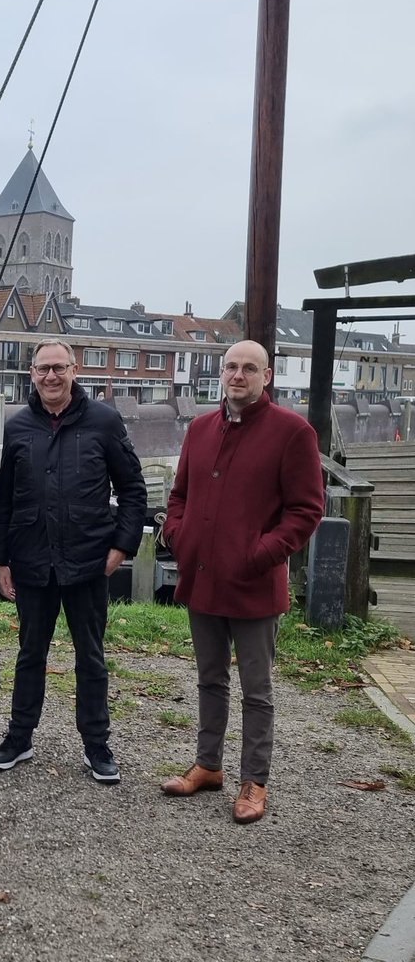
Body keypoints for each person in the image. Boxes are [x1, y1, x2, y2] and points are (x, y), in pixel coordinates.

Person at [160, 339, 325, 824]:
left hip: (254, 583)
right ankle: (208, 765)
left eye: (249, 368)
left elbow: (306, 509)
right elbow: (180, 494)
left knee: (257, 689)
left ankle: (254, 781)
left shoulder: (293, 432)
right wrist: (178, 535)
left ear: (267, 376)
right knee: (210, 679)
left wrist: (262, 554)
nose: (237, 375)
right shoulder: (201, 427)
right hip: (203, 578)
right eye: (231, 366)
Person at [0, 339, 146, 782]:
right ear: (31, 375)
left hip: (87, 561)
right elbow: (4, 500)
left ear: (74, 370)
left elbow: (133, 488)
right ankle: (19, 737)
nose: (51, 377)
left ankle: (97, 745)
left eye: (59, 368)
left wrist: (122, 545)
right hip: (33, 560)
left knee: (90, 656)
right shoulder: (18, 428)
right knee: (29, 654)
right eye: (42, 370)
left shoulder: (104, 422)